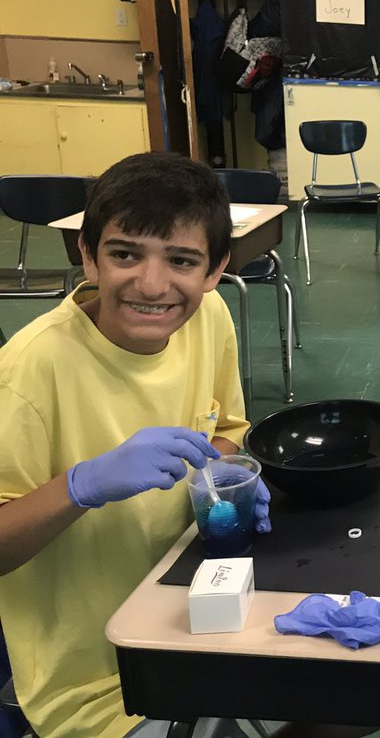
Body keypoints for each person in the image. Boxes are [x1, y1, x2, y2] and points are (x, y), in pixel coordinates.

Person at [0, 154, 358, 738]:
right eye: (124, 253)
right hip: (103, 677)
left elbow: (229, 430)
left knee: (367, 696)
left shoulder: (206, 316)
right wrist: (79, 487)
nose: (151, 284)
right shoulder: (27, 374)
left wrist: (224, 473)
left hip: (205, 599)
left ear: (216, 270)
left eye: (182, 261)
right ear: (87, 255)